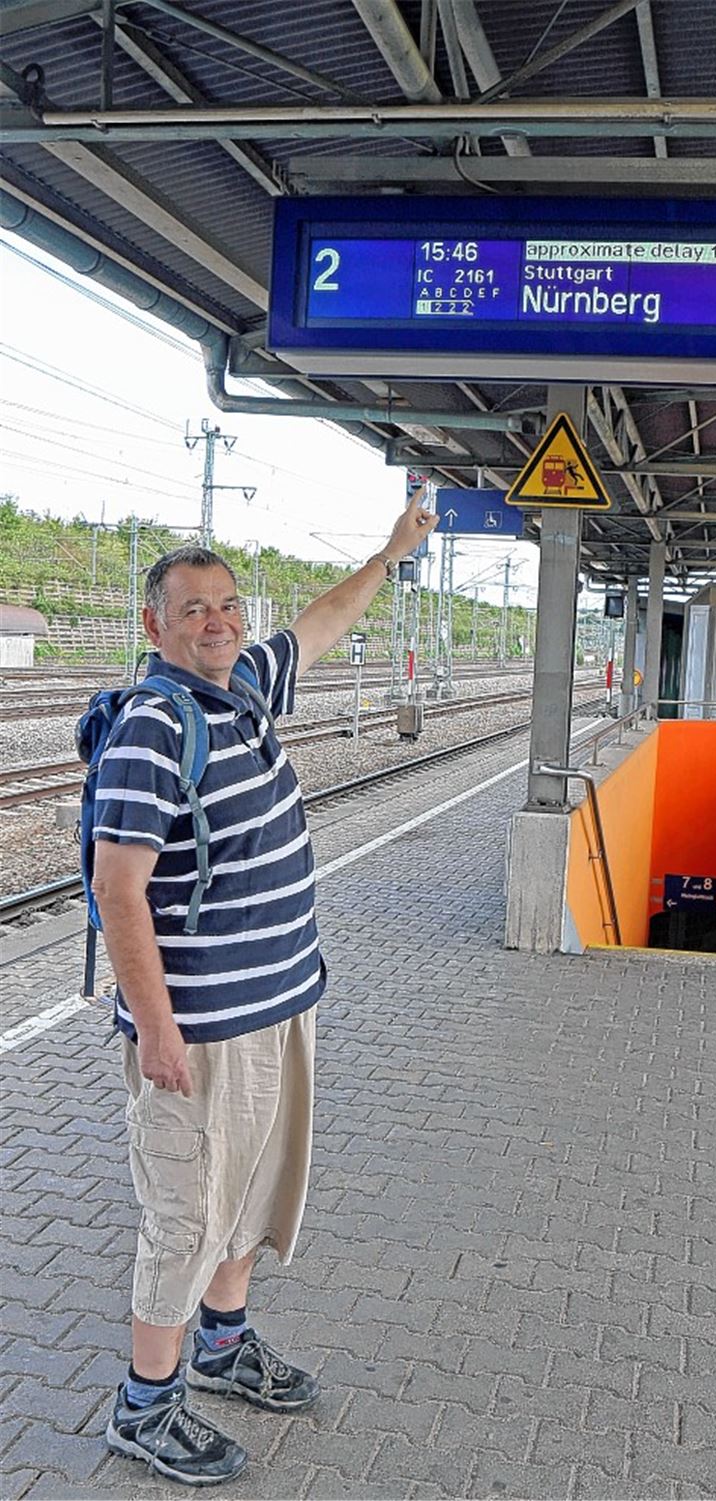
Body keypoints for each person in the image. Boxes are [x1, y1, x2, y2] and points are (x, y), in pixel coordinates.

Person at [95, 495, 438, 1485]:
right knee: (186, 1213)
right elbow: (119, 886)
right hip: (199, 1031)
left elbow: (323, 621)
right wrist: (156, 1028)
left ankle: (224, 1344)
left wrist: (390, 552)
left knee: (252, 1190)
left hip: (279, 1008)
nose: (219, 619)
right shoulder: (152, 728)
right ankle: (145, 1404)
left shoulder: (243, 685)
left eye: (230, 604)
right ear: (156, 625)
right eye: (194, 607)